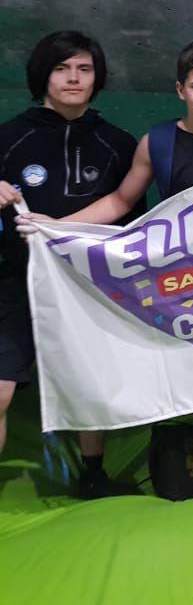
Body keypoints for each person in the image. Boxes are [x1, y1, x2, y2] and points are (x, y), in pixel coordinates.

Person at [23, 41, 193, 495]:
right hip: (189, 279)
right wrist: (58, 226)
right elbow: (120, 201)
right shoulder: (158, 141)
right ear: (180, 90)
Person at [0, 32, 141, 498]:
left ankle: (92, 473)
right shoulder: (9, 139)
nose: (74, 78)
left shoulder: (117, 144)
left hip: (86, 286)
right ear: (44, 75)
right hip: (14, 284)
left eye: (83, 69)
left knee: (90, 378)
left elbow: (128, 214)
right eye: (63, 69)